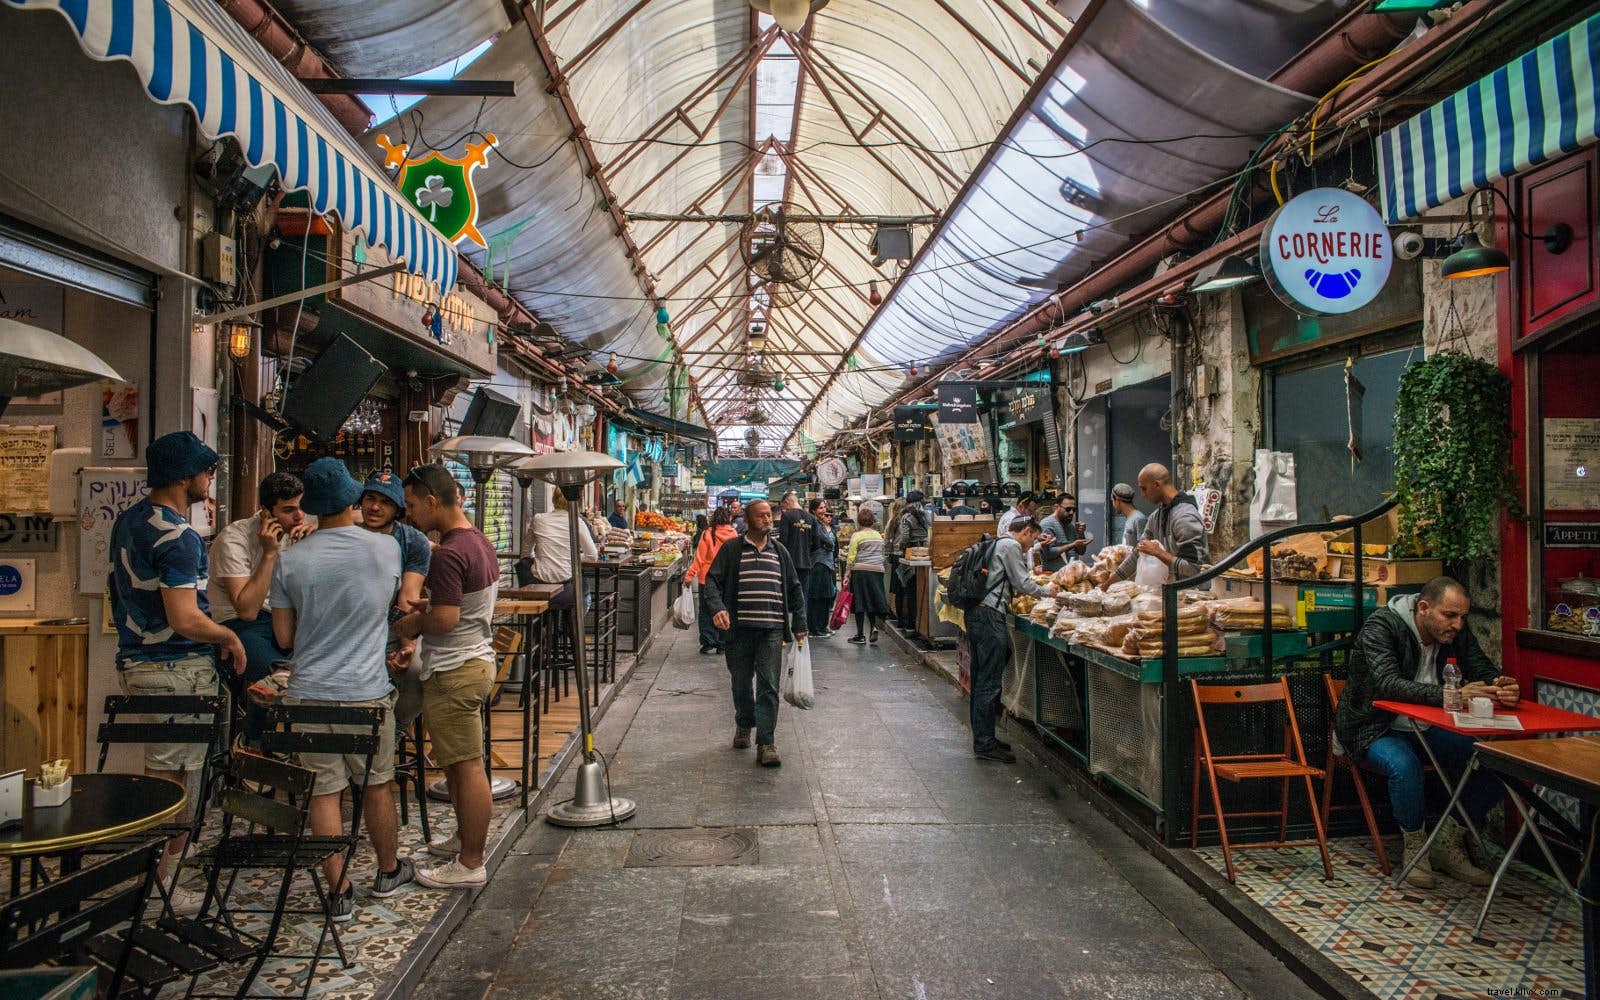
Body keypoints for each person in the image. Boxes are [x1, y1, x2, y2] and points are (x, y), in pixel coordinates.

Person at [108, 431, 246, 910]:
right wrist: (228, 636)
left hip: (136, 663)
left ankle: (153, 877)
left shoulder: (128, 522)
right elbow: (184, 617)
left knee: (162, 772)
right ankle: (160, 884)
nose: (211, 479)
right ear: (186, 476)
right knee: (177, 778)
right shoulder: (179, 536)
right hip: (177, 667)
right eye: (207, 471)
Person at [270, 458, 411, 920]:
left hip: (308, 690)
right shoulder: (385, 551)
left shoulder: (289, 559)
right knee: (376, 784)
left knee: (323, 792)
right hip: (366, 690)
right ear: (352, 498)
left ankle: (338, 891)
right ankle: (388, 871)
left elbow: (285, 638)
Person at [1334, 577, 1517, 889]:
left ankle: (1448, 842)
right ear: (1423, 608)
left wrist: (1500, 684)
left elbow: (1481, 668)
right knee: (1404, 766)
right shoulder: (1382, 627)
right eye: (1450, 616)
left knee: (1498, 762)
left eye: (1463, 617)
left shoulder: (1452, 630)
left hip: (1429, 727)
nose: (1458, 624)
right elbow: (1389, 684)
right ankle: (1415, 850)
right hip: (1375, 726)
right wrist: (1455, 695)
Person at [394, 464, 499, 889]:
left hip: (456, 667)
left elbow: (447, 619)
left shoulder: (449, 552)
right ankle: (463, 840)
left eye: (413, 505)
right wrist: (428, 609)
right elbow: (461, 606)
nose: (410, 514)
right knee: (457, 765)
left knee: (468, 766)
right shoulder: (477, 541)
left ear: (433, 502)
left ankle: (471, 862)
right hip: (472, 661)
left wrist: (411, 626)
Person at [701, 499, 807, 768]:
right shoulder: (732, 549)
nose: (767, 520)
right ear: (747, 521)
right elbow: (712, 581)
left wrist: (800, 624)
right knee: (740, 682)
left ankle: (766, 742)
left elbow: (794, 588)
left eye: (769, 516)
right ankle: (744, 723)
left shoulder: (780, 551)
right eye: (760, 517)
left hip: (772, 631)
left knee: (769, 685)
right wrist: (717, 608)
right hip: (739, 631)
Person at [207, 471, 312, 739]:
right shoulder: (234, 539)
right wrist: (269, 553)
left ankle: (301, 750)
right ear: (267, 512)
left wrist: (317, 537)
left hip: (286, 620)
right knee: (275, 673)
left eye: (302, 507)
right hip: (242, 626)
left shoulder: (301, 531)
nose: (299, 516)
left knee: (320, 668)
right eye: (289, 510)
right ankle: (253, 745)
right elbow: (247, 609)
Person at [969, 517, 1053, 763]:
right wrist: (1051, 592)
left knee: (981, 678)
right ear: (1026, 531)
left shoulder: (997, 544)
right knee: (989, 681)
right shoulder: (1011, 546)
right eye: (1032, 540)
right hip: (989, 616)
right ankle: (984, 743)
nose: (1029, 547)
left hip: (977, 614)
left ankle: (984, 738)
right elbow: (1023, 583)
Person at [360, 470, 433, 729]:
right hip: (354, 625)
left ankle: (392, 732)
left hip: (395, 624)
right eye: (370, 498)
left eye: (386, 502)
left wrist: (408, 645)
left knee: (417, 672)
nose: (375, 507)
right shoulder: (348, 531)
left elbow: (409, 597)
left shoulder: (413, 541)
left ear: (399, 509)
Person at [1114, 464, 1209, 584]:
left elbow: (1194, 568)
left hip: (1194, 595)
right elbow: (1137, 554)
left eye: (1144, 489)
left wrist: (1158, 552)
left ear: (1157, 485)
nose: (1142, 495)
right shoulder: (1156, 517)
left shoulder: (1185, 517)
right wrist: (1106, 585)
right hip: (1171, 593)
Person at [526, 488, 599, 608]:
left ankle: (545, 624)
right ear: (577, 500)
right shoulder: (577, 521)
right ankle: (573, 625)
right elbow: (592, 556)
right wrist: (572, 556)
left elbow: (526, 552)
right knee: (585, 593)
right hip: (565, 588)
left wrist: (541, 557)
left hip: (538, 583)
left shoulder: (538, 518)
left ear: (554, 499)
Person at [688, 507, 738, 655]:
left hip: (707, 577)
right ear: (728, 518)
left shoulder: (708, 533)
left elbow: (700, 558)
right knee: (724, 608)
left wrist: (689, 576)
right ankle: (723, 643)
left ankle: (708, 641)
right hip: (727, 577)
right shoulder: (734, 534)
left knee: (705, 611)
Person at [844, 508, 892, 645]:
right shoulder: (878, 535)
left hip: (861, 571)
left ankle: (860, 635)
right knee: (871, 600)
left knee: (860, 601)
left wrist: (847, 573)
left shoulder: (857, 536)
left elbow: (851, 556)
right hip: (877, 571)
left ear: (859, 521)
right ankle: (873, 627)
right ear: (872, 521)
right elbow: (882, 553)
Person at [891, 491, 931, 633]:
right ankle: (920, 624)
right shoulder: (928, 515)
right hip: (926, 552)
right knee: (921, 589)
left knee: (907, 588)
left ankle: (908, 623)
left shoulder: (906, 516)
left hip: (911, 554)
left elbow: (905, 537)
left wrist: (901, 547)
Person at [805, 498, 837, 637]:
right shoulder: (814, 523)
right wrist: (828, 544)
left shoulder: (819, 523)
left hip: (825, 563)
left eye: (824, 507)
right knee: (817, 597)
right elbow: (827, 541)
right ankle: (815, 628)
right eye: (821, 508)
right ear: (813, 510)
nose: (824, 511)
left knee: (825, 596)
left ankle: (822, 626)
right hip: (819, 563)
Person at [777, 490, 819, 591]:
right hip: (806, 563)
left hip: (789, 563)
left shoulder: (787, 516)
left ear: (787, 502)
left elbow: (783, 541)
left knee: (789, 594)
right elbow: (817, 544)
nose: (784, 510)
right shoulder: (812, 518)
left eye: (784, 507)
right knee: (803, 594)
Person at [1036, 493, 1088, 572]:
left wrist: (1081, 533)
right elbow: (1047, 555)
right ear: (1056, 507)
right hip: (1054, 576)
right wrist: (1072, 545)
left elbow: (1081, 551)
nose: (1071, 512)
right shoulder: (1047, 524)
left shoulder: (1070, 526)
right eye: (1068, 509)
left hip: (1071, 575)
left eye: (1074, 510)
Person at [1112, 482, 1147, 548]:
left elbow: (1145, 548)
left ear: (1117, 500)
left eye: (1112, 501)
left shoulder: (1139, 519)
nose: (1113, 505)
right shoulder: (1130, 518)